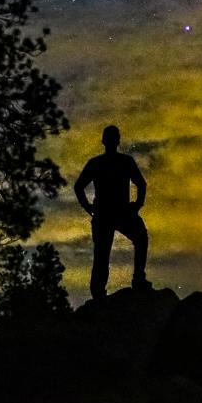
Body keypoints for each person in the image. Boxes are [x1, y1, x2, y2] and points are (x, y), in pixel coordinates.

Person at [74, 125, 151, 298]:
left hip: (108, 213)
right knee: (135, 240)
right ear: (118, 141)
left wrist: (88, 208)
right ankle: (136, 279)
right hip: (116, 212)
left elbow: (78, 187)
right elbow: (141, 184)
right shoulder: (124, 161)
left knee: (102, 254)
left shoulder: (98, 163)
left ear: (104, 141)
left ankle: (99, 293)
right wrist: (137, 205)